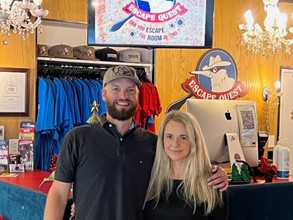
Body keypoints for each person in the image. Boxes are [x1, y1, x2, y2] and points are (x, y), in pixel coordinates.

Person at [44, 65, 228, 220]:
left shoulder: (154, 143)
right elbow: (59, 194)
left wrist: (215, 172)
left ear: (138, 96)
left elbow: (184, 162)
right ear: (103, 94)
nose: (123, 96)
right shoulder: (77, 138)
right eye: (116, 89)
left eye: (130, 90)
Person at [143, 110, 229, 220]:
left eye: (183, 137)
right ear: (162, 140)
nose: (175, 144)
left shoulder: (213, 182)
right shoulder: (150, 177)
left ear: (195, 141)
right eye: (169, 137)